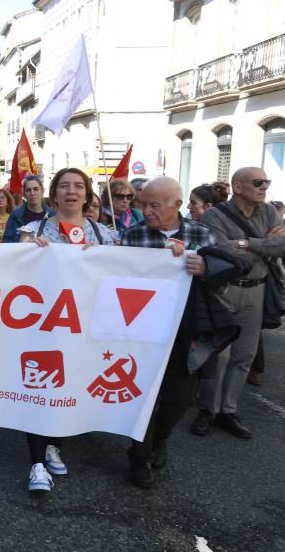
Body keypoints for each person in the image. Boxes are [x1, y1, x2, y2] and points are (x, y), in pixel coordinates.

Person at [19, 167, 117, 493]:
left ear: (87, 194)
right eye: (64, 186)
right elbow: (16, 271)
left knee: (69, 389)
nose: (71, 191)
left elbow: (126, 273)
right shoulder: (33, 230)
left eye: (78, 186)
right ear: (54, 194)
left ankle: (53, 444)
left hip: (86, 328)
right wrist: (30, 252)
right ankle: (36, 463)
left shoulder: (105, 235)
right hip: (42, 326)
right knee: (40, 387)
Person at [120, 177, 217, 488]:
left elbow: (222, 280)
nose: (146, 211)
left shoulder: (203, 235)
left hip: (187, 332)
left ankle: (160, 439)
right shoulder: (133, 235)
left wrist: (206, 270)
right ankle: (139, 455)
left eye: (154, 205)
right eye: (143, 204)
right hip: (142, 331)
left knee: (180, 399)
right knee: (142, 397)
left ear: (177, 204)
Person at [192, 167, 285, 441]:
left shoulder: (269, 211)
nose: (264, 187)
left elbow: (281, 247)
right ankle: (207, 409)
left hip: (257, 290)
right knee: (218, 354)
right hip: (224, 290)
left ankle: (228, 411)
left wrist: (245, 243)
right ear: (238, 187)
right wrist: (265, 244)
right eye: (258, 182)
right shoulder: (214, 215)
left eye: (266, 182)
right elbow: (226, 254)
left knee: (244, 355)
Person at [2, 175, 54, 243]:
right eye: (28, 190)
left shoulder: (53, 214)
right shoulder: (15, 215)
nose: (32, 193)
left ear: (42, 191)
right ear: (24, 194)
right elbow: (7, 242)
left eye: (36, 189)